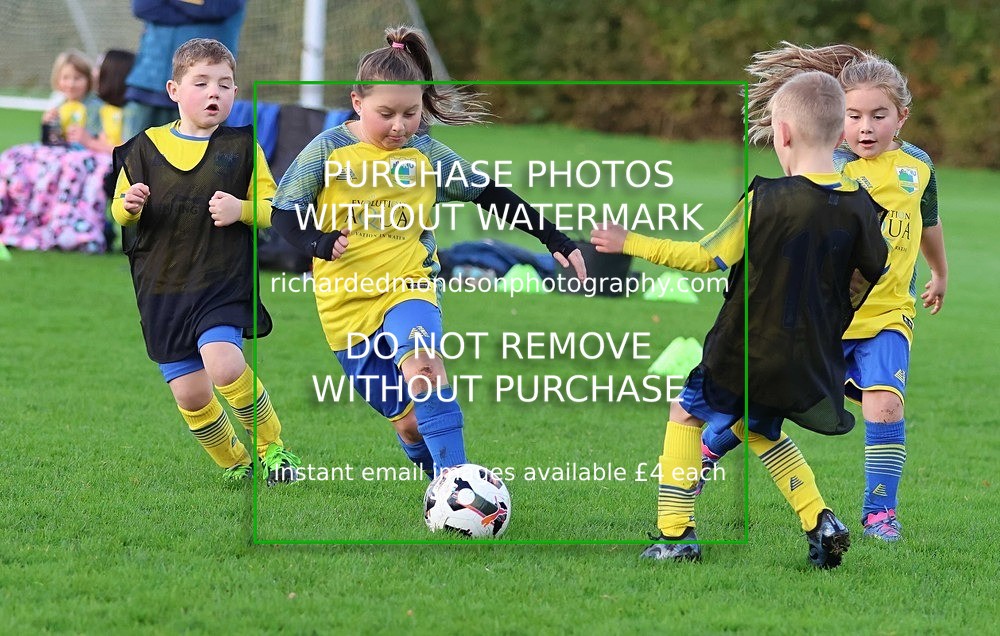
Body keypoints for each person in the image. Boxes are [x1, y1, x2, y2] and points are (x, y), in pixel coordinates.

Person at [591, 72, 889, 567]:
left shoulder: (767, 199)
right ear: (841, 136)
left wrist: (631, 243)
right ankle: (820, 520)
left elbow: (706, 257)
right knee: (761, 431)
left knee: (685, 413)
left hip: (745, 346)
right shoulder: (863, 207)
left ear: (783, 134)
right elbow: (867, 274)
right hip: (806, 355)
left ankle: (675, 533)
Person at [270, 26, 586, 478]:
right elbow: (284, 213)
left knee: (424, 368)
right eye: (386, 113)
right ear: (357, 102)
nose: (399, 126)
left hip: (409, 286)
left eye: (411, 113)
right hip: (344, 304)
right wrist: (317, 242)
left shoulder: (426, 154)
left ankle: (456, 482)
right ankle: (437, 479)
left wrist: (554, 238)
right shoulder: (328, 149)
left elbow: (490, 194)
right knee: (412, 425)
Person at [699, 43, 949, 543]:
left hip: (888, 315)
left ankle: (880, 514)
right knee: (769, 405)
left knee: (885, 403)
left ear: (901, 117)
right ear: (839, 120)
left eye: (879, 115)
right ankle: (709, 445)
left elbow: (928, 223)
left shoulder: (918, 167)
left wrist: (939, 273)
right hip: (823, 318)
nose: (865, 127)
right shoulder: (827, 165)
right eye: (854, 115)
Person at [111, 38, 299, 485]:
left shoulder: (243, 149)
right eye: (202, 83)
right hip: (161, 289)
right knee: (192, 394)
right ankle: (235, 461)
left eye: (226, 85)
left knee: (224, 364)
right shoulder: (143, 148)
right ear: (174, 90)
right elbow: (117, 209)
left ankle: (273, 450)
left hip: (220, 282)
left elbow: (275, 207)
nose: (215, 93)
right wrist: (130, 204)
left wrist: (242, 209)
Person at [0, 50, 115, 253]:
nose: (71, 84)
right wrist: (48, 126)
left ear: (88, 80)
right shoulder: (58, 104)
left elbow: (103, 140)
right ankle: (22, 220)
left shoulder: (96, 108)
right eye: (66, 78)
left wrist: (86, 139)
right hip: (60, 155)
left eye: (77, 78)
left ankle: (76, 227)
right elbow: (51, 142)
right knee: (15, 158)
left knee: (69, 169)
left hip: (83, 158)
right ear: (58, 80)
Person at [123, 0, 246, 140]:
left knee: (206, 159)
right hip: (147, 87)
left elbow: (215, 8)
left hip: (204, 96)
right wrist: (196, 13)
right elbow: (142, 7)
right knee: (133, 159)